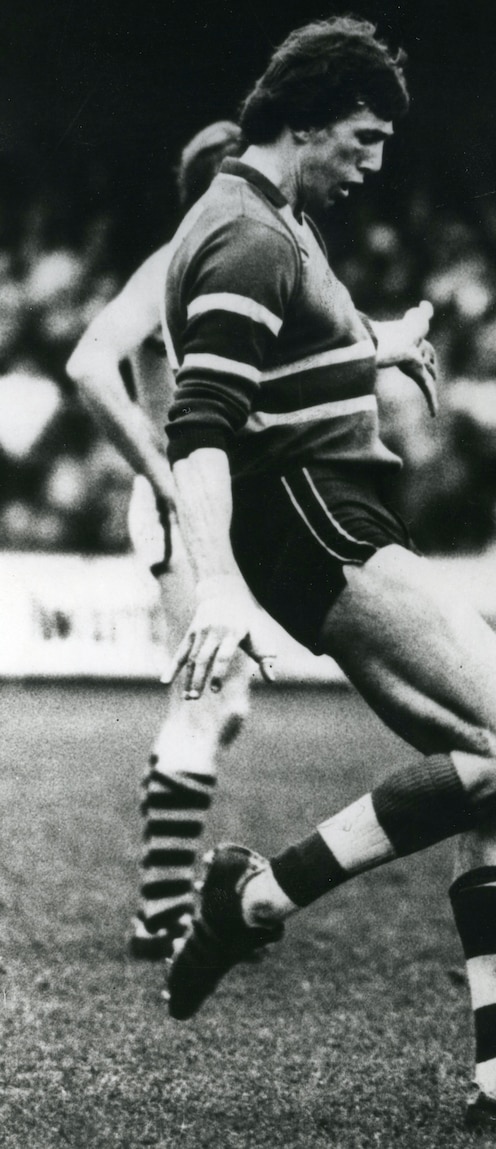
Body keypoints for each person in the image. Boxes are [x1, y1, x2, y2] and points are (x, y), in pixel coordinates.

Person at [161, 16, 496, 1134]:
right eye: (365, 137)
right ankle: (258, 893)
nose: (377, 163)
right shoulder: (253, 239)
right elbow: (200, 422)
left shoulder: (268, 217)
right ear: (303, 123)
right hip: (321, 527)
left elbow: (276, 364)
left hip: (329, 521)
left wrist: (371, 346)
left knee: (490, 765)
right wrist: (220, 589)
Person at [66, 122, 252, 959]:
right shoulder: (178, 263)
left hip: (214, 504)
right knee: (204, 699)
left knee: (225, 702)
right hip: (188, 504)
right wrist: (162, 470)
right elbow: (87, 365)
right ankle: (160, 912)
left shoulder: (232, 265)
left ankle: (165, 901)